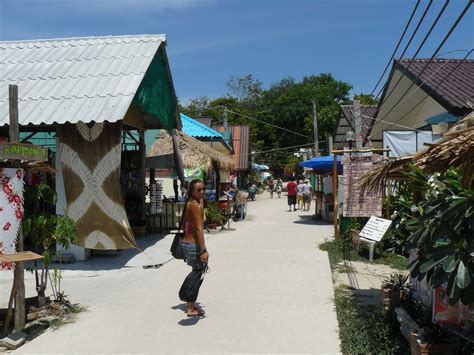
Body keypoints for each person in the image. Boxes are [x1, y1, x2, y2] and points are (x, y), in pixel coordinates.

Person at [181, 179, 209, 317]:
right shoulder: (196, 206)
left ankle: (190, 303)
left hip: (187, 243)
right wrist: (203, 250)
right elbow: (199, 230)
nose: (202, 191)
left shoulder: (190, 203)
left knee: (196, 271)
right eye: (198, 190)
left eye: (203, 189)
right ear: (191, 191)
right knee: (198, 274)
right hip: (194, 245)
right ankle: (190, 306)